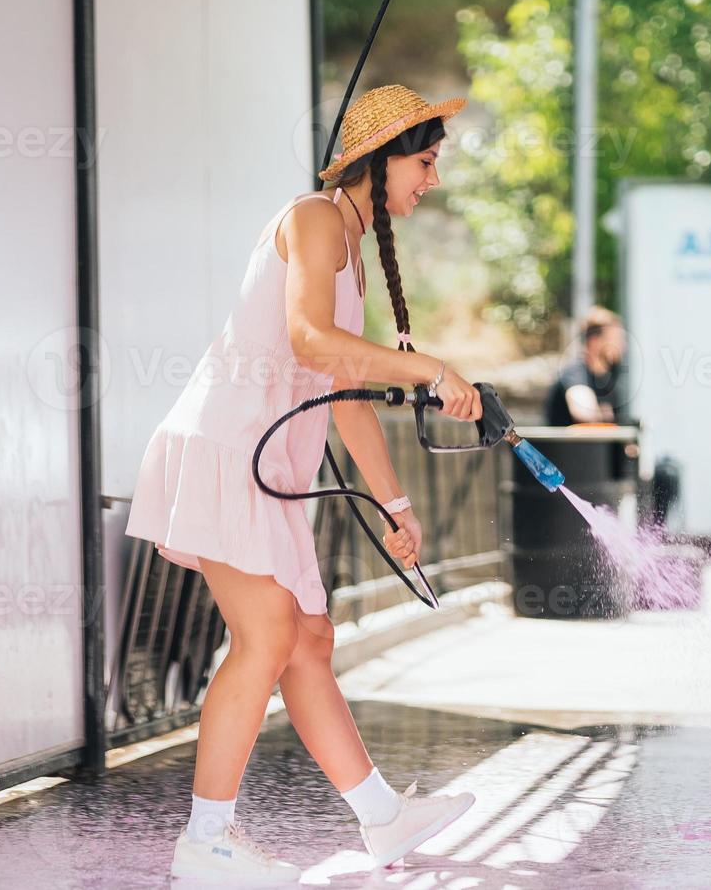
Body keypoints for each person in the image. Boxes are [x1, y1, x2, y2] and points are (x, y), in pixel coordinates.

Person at [124, 85, 481, 883]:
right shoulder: (314, 218)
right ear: (381, 159)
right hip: (225, 449)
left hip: (266, 467)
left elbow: (344, 390)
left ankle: (384, 820)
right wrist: (428, 369)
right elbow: (311, 342)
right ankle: (205, 844)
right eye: (423, 162)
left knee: (309, 641)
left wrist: (396, 506)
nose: (430, 179)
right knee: (268, 635)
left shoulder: (348, 243)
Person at [543, 306, 629, 426]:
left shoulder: (610, 377)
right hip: (571, 445)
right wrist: (601, 414)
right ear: (594, 341)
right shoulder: (575, 372)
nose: (622, 346)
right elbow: (583, 412)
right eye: (616, 339)